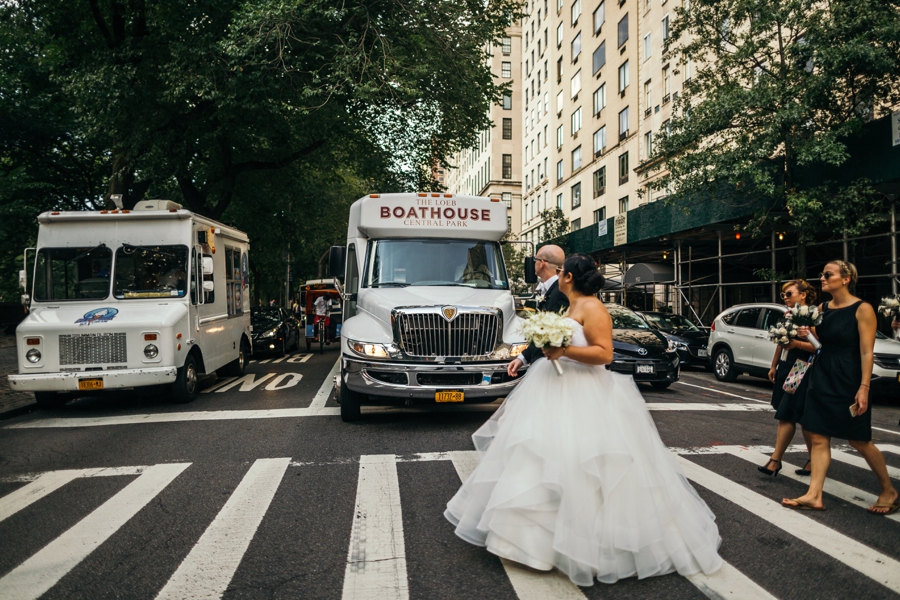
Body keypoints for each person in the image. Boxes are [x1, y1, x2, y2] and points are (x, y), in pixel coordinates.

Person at [445, 254, 723, 586]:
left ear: (570, 277)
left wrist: (563, 351)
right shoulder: (570, 306)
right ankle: (532, 542)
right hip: (552, 387)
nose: (558, 273)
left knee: (582, 465)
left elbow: (604, 353)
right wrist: (540, 351)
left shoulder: (593, 308)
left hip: (584, 391)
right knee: (538, 459)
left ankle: (585, 543)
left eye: (562, 270)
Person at [783, 260, 899, 515]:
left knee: (859, 440)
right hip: (821, 373)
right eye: (822, 274)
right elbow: (818, 344)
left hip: (848, 377)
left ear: (845, 279)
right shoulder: (822, 307)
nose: (822, 278)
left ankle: (889, 490)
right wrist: (803, 335)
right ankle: (814, 495)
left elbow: (867, 351)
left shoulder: (862, 308)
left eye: (828, 274)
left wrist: (864, 387)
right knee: (817, 436)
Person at [758, 280, 817, 477]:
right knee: (799, 416)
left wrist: (796, 345)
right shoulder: (788, 314)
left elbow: (818, 346)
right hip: (785, 365)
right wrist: (774, 365)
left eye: (789, 293)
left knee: (786, 413)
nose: (785, 297)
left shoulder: (811, 316)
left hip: (800, 366)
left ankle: (775, 461)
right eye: (783, 294)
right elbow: (780, 342)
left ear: (803, 295)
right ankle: (813, 460)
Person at [507, 244, 567, 378]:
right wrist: (522, 358)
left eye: (535, 260)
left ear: (542, 263)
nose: (533, 264)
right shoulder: (551, 289)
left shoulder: (560, 292)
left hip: (550, 367)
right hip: (541, 362)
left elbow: (551, 334)